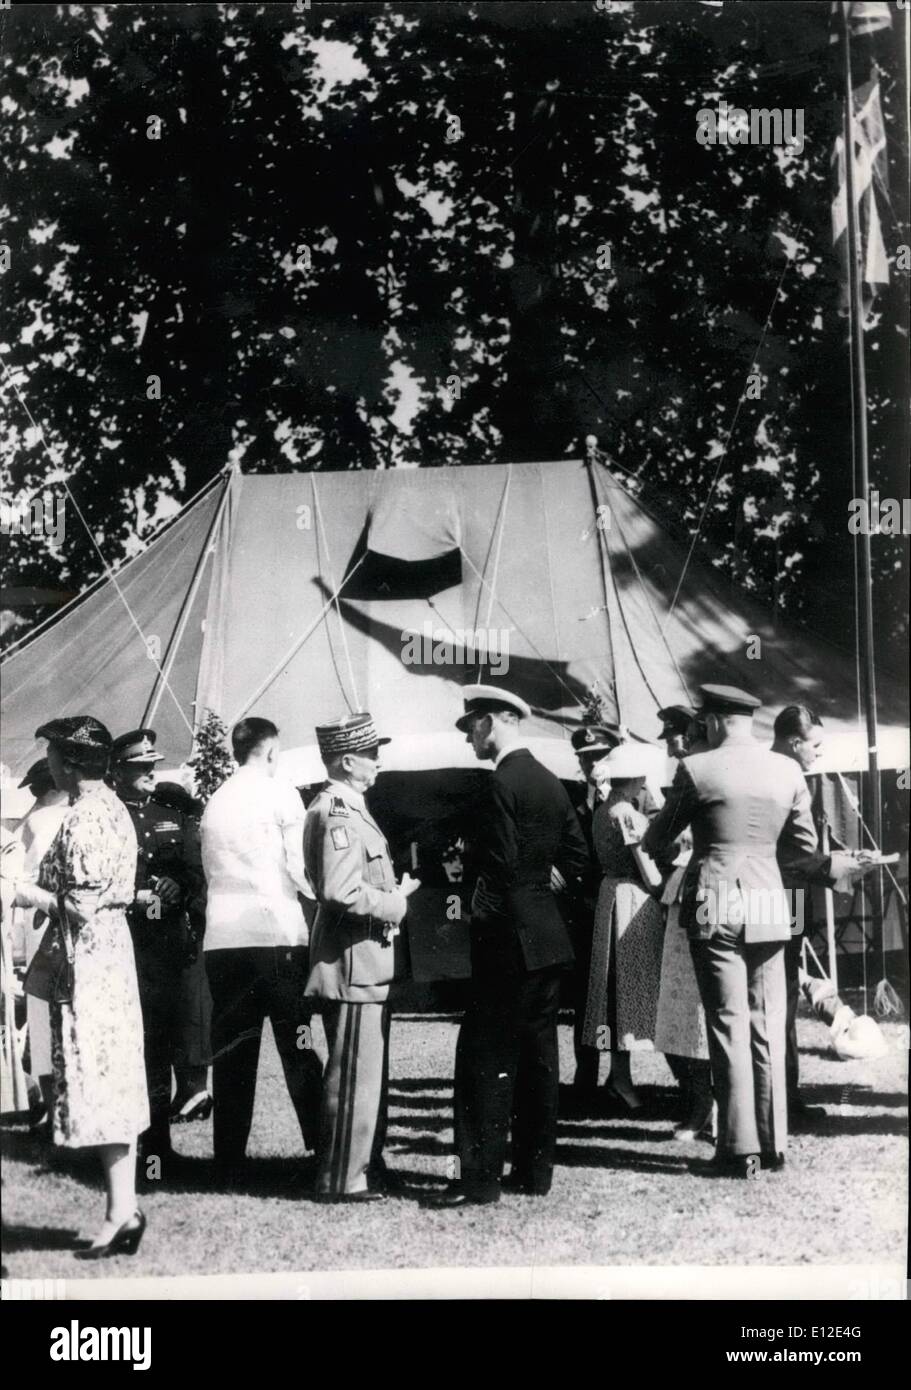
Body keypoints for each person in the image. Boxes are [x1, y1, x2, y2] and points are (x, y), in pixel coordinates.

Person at [643, 684, 830, 1178]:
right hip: (770, 899)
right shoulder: (789, 770)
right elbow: (802, 851)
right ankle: (773, 1145)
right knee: (767, 1023)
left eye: (703, 720)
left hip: (714, 900)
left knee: (727, 1023)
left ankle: (737, 1147)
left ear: (715, 721)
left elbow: (656, 839)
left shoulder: (696, 769)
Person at [431, 685, 588, 1208]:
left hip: (507, 944)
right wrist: (540, 890)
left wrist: (486, 916)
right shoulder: (549, 780)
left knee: (483, 1058)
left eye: (472, 724)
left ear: (496, 720)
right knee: (539, 1060)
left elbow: (496, 869)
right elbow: (578, 857)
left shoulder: (500, 783)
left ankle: (479, 1180)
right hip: (547, 937)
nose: (469, 735)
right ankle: (534, 1173)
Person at [6, 718, 148, 1257]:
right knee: (113, 1079)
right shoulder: (109, 807)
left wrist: (25, 895)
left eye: (55, 758)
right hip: (108, 957)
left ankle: (121, 1210)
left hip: (92, 963)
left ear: (68, 763)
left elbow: (81, 906)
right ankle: (122, 1207)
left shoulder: (86, 816)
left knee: (102, 1074)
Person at [200, 717, 322, 1183]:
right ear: (271, 751)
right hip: (275, 936)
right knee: (298, 1044)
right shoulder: (281, 793)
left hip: (225, 939)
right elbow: (298, 867)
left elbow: (212, 870)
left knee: (233, 1049)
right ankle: (322, 1146)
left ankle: (228, 1161)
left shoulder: (216, 800)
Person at [304, 713, 420, 1203]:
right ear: (348, 760)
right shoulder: (339, 813)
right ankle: (341, 1179)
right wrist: (396, 902)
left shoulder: (347, 807)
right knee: (353, 1073)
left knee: (360, 1072)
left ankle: (355, 1170)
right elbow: (339, 890)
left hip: (362, 959)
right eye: (371, 753)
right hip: (353, 962)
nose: (378, 761)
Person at [770, 705, 876, 1126]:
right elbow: (780, 858)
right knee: (777, 999)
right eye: (815, 745)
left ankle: (787, 1097)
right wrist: (836, 867)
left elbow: (801, 853)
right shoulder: (773, 778)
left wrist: (840, 859)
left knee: (788, 991)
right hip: (774, 900)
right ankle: (780, 1102)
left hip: (793, 900)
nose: (819, 753)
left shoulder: (793, 775)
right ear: (795, 743)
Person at [110, 730, 207, 1172]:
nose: (150, 772)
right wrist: (134, 892)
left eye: (152, 765)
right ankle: (140, 1147)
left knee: (165, 1042)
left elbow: (196, 871)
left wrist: (181, 886)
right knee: (139, 1048)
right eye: (139, 766)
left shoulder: (172, 811)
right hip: (127, 945)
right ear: (118, 771)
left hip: (168, 946)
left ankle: (160, 1147)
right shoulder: (109, 816)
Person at [581, 742, 665, 1113]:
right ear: (637, 778)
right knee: (625, 987)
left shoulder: (603, 810)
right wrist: (666, 891)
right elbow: (647, 869)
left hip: (609, 894)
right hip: (631, 898)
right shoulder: (628, 814)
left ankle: (620, 1074)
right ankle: (620, 1076)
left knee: (615, 988)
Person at [653, 708, 714, 1140]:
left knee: (697, 1007)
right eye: (671, 738)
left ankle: (704, 1106)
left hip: (704, 895)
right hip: (680, 894)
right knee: (677, 1010)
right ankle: (695, 1101)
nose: (672, 744)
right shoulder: (682, 776)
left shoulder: (700, 774)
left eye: (677, 736)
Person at [565, 725, 622, 1107]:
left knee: (618, 995)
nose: (592, 764)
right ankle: (585, 1078)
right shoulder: (570, 798)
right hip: (583, 912)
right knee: (585, 998)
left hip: (619, 907)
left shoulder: (633, 794)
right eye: (586, 758)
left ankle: (621, 1078)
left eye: (599, 756)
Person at [9, 759, 68, 1125]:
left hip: (38, 923)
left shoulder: (38, 820)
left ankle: (49, 1102)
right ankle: (56, 1103)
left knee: (40, 1015)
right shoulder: (56, 816)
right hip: (53, 922)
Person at [152, 779, 213, 1124]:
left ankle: (195, 1091)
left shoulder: (186, 833)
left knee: (189, 1014)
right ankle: (190, 1091)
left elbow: (192, 883)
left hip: (187, 933)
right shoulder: (193, 829)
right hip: (191, 932)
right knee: (188, 1013)